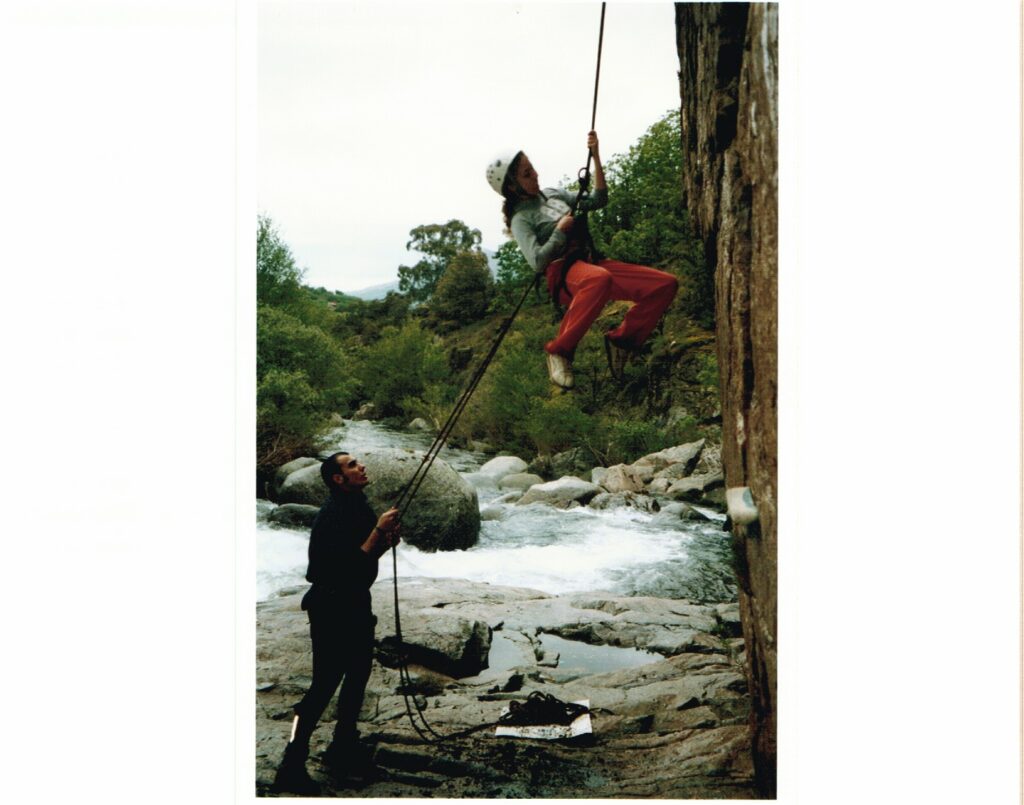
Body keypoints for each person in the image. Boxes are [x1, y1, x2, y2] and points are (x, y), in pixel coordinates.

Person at [486, 131, 679, 390]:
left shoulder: (554, 193)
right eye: (526, 174)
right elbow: (537, 262)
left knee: (664, 284)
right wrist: (559, 231)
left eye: (531, 169)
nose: (535, 175)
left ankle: (623, 342)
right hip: (565, 273)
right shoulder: (521, 220)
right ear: (512, 188)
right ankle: (559, 351)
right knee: (598, 279)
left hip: (592, 263)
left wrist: (596, 156)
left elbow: (599, 200)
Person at [271, 451, 401, 795]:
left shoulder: (358, 503)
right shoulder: (331, 515)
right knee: (323, 685)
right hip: (330, 605)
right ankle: (292, 762)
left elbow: (366, 556)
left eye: (358, 463)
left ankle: (342, 748)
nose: (361, 468)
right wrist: (378, 532)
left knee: (358, 674)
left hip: (356, 601)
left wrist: (386, 542)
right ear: (338, 479)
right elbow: (344, 566)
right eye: (352, 465)